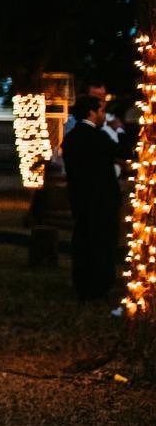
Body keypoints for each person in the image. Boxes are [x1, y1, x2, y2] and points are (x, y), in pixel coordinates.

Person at [63, 95, 125, 302]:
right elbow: (123, 151)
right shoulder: (98, 137)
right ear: (92, 112)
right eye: (101, 111)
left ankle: (82, 283)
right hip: (103, 200)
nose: (103, 115)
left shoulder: (71, 138)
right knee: (103, 243)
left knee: (82, 240)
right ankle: (100, 285)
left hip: (79, 199)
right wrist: (119, 130)